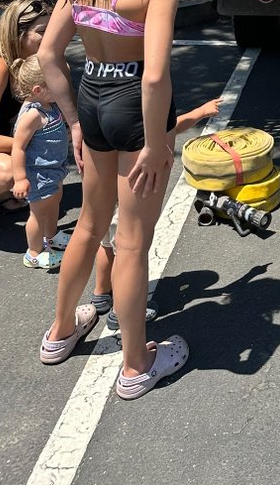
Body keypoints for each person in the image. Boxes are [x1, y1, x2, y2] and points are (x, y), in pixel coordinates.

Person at [37, 0, 189, 400]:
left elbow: (49, 56)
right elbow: (154, 75)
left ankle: (60, 332)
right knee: (131, 242)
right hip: (133, 103)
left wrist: (76, 122)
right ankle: (136, 364)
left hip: (94, 95)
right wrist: (153, 142)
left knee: (88, 224)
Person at [91, 96, 221, 329]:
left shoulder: (104, 116)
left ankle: (100, 294)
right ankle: (120, 312)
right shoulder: (143, 121)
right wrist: (201, 112)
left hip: (105, 200)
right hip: (126, 203)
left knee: (106, 246)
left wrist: (201, 111)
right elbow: (173, 126)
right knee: (128, 255)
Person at [0, 0, 75, 247]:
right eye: (42, 33)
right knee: (11, 170)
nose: (49, 40)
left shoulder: (27, 62)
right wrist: (33, 143)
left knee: (23, 164)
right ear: (18, 33)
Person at [10, 56, 71, 270]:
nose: (63, 87)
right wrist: (20, 178)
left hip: (55, 168)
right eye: (57, 83)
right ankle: (34, 252)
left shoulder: (50, 105)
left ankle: (51, 235)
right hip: (39, 173)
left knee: (54, 201)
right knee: (38, 212)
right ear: (37, 90)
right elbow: (18, 147)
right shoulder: (33, 114)